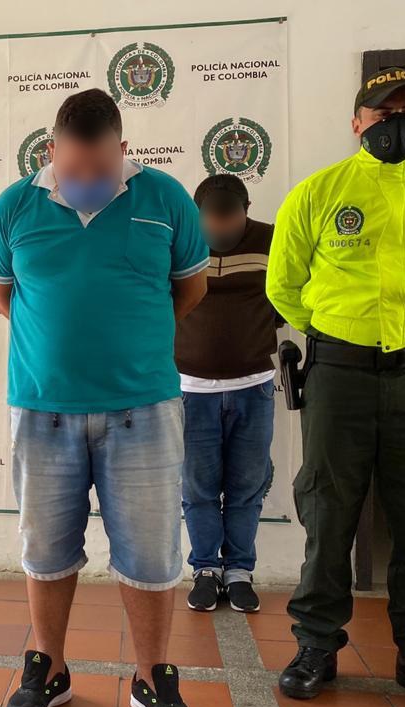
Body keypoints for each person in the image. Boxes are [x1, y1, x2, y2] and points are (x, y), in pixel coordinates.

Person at [0, 88, 208, 707]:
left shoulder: (165, 199)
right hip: (42, 410)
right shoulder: (13, 207)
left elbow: (189, 289)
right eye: (74, 168)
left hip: (144, 410)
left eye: (102, 168)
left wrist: (131, 342)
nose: (88, 180)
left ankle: (152, 677)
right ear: (50, 151)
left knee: (151, 551)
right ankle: (49, 668)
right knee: (46, 549)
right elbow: (3, 296)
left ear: (124, 150)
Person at [268, 67, 405, 707]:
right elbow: (284, 284)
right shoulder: (318, 193)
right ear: (358, 122)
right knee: (328, 510)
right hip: (338, 375)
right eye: (384, 113)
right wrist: (340, 331)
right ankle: (316, 646)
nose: (397, 123)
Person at [177, 174, 281, 615]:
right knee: (198, 488)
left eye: (230, 218)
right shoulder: (180, 242)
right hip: (191, 390)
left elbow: (286, 297)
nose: (220, 227)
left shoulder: (272, 240)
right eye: (211, 219)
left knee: (246, 487)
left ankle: (239, 571)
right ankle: (205, 569)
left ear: (246, 210)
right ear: (196, 215)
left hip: (253, 386)